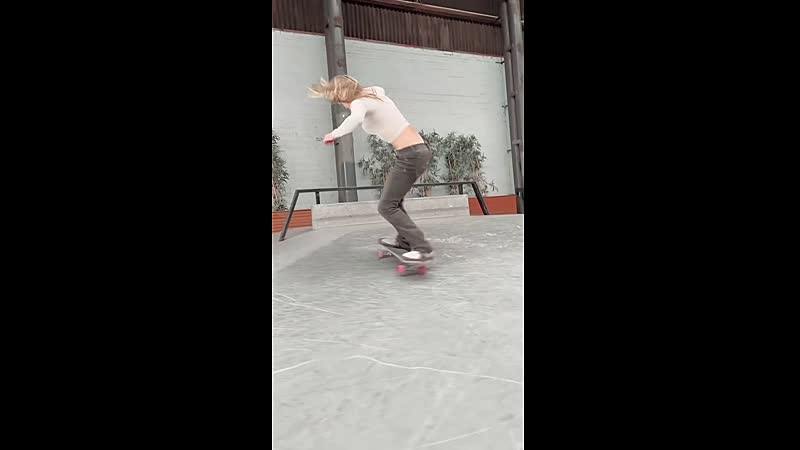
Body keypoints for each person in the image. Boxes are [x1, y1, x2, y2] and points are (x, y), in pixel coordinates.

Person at [309, 75, 433, 261]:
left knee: (386, 206)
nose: (343, 105)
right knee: (394, 201)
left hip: (411, 155)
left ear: (344, 96)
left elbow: (354, 119)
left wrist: (333, 134)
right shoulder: (374, 93)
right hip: (414, 152)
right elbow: (378, 90)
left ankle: (422, 248)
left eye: (340, 102)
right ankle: (405, 241)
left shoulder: (359, 103)